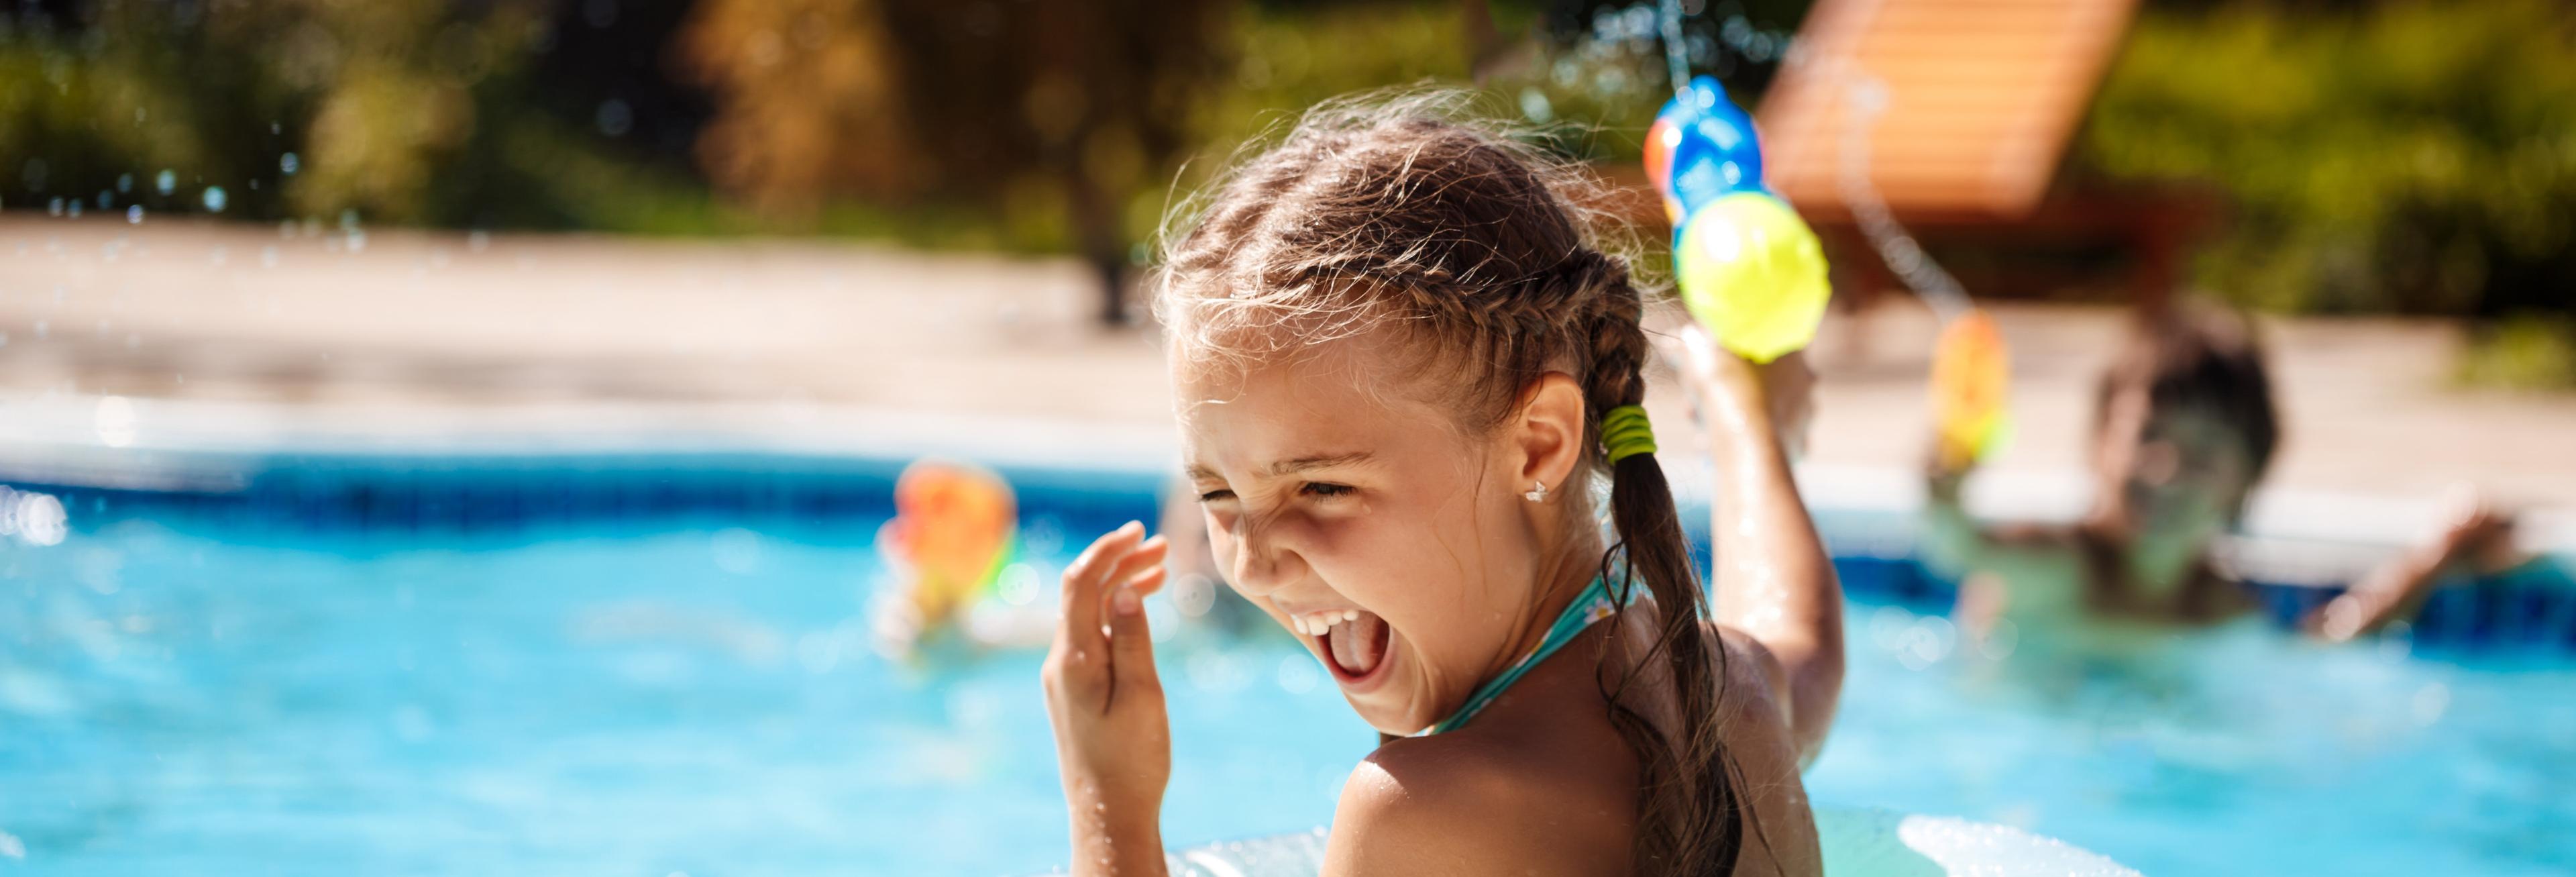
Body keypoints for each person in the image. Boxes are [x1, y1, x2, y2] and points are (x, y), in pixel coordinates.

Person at [1039, 93, 1845, 876]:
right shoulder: (1716, 685)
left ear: (1539, 445)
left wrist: (1107, 798)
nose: (1251, 563)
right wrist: (1748, 419)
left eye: (1321, 488)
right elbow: (1802, 650)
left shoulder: (1422, 812)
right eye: (1218, 496)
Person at [1921, 299, 2525, 651]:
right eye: (2149, 436)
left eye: (2205, 453)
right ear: (2101, 438)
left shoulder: (2217, 605)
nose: (2169, 470)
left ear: (2247, 479)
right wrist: (1946, 486)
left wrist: (2432, 559)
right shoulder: (2059, 565)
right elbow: (1958, 545)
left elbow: (2320, 649)